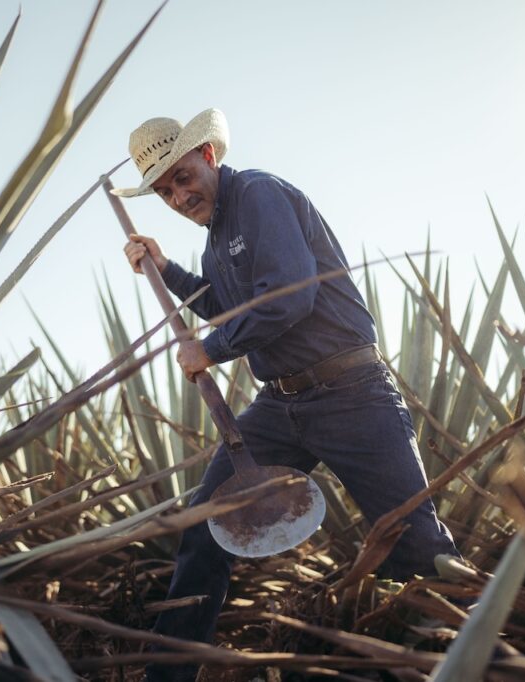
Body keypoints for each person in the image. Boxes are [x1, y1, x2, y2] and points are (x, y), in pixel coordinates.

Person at [114, 108, 459, 681]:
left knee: (414, 543)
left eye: (182, 177)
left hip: (353, 394)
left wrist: (211, 349)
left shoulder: (259, 195)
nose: (177, 195)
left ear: (207, 156)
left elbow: (288, 298)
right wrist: (164, 267)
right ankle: (167, 676)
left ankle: (483, 659)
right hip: (281, 406)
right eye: (163, 190)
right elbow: (227, 307)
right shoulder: (214, 241)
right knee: (206, 526)